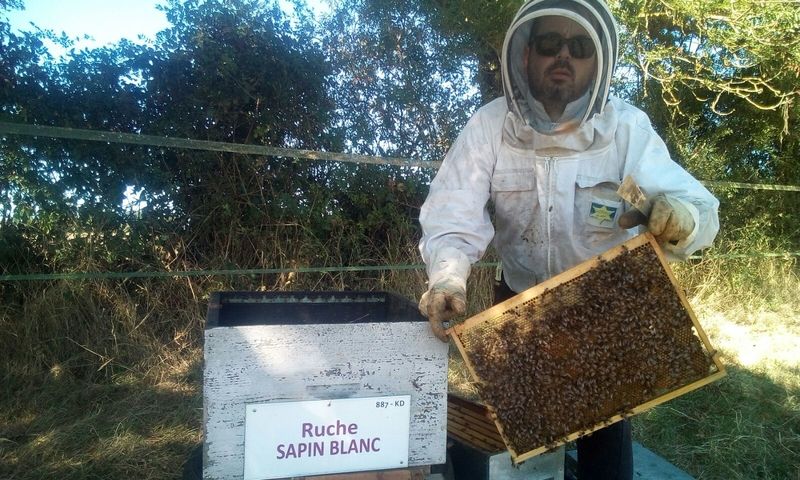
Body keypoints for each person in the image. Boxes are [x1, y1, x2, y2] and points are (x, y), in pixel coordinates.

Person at [417, 0, 720, 478]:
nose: (564, 56)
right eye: (549, 44)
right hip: (521, 310)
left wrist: (679, 219)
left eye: (578, 47)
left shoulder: (626, 129)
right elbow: (453, 212)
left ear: (597, 62)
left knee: (606, 442)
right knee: (528, 451)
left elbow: (701, 212)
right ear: (524, 56)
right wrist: (449, 279)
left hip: (604, 311)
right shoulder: (490, 126)